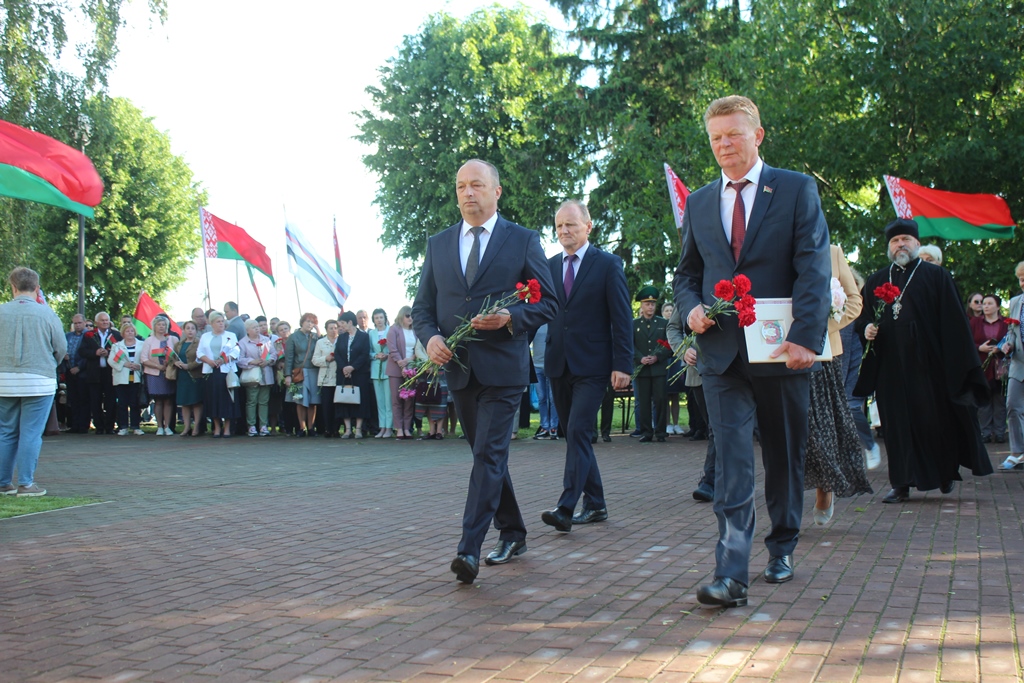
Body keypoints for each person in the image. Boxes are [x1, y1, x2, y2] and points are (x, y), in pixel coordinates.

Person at [673, 95, 831, 608]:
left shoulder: (794, 189)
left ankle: (782, 545)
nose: (724, 145)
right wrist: (692, 307)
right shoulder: (698, 202)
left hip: (782, 350)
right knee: (734, 461)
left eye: (734, 135)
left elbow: (813, 267)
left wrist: (807, 336)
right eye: (716, 137)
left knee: (784, 453)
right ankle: (731, 573)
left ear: (757, 135)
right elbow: (687, 274)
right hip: (721, 354)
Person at [412, 159, 556, 583]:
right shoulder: (438, 244)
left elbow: (547, 302)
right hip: (457, 368)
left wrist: (510, 318)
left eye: (476, 184)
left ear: (497, 191)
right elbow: (422, 308)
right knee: (486, 457)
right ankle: (513, 530)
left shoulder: (523, 240)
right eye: (460, 186)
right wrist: (431, 338)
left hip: (504, 368)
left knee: (489, 455)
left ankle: (468, 550)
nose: (467, 192)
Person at [854, 218, 993, 502]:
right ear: (889, 247)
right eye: (895, 240)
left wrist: (956, 365)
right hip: (891, 368)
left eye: (906, 239)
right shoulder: (878, 279)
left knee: (933, 421)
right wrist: (866, 328)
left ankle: (943, 475)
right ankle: (901, 483)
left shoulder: (936, 276)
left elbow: (955, 324)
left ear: (917, 243)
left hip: (929, 366)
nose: (900, 244)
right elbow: (864, 316)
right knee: (895, 426)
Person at [540, 200, 632, 532]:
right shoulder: (548, 267)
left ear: (588, 226)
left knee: (579, 430)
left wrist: (623, 364)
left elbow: (622, 318)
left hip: (594, 364)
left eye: (571, 225)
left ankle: (566, 506)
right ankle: (596, 504)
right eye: (559, 226)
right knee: (573, 435)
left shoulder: (607, 265)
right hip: (558, 363)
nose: (564, 231)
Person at [803, 245, 871, 525]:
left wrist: (822, 326)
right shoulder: (770, 244)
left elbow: (854, 302)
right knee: (795, 428)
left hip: (823, 352)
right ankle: (790, 495)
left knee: (822, 426)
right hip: (779, 353)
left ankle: (825, 485)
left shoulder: (831, 252)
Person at [0, 267, 66, 497]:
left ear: (13, 287)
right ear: (36, 288)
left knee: (6, 432)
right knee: (30, 433)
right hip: (39, 380)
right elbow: (61, 348)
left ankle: (3, 483)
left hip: (4, 380)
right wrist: (48, 365)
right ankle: (26, 484)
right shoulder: (47, 314)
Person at [666, 306, 716, 502]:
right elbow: (673, 328)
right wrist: (683, 350)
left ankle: (711, 481)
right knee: (714, 427)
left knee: (719, 428)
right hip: (699, 372)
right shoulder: (691, 287)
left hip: (734, 371)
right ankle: (715, 480)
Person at [632, 286, 670, 443]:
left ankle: (661, 432)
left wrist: (658, 356)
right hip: (642, 369)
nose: (650, 307)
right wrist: (640, 358)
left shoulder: (663, 323)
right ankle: (646, 432)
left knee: (660, 400)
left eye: (653, 304)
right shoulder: (633, 324)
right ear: (641, 305)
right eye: (647, 304)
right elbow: (629, 345)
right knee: (644, 401)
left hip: (658, 368)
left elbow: (670, 344)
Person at [970, 294, 1008, 444]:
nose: (985, 306)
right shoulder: (974, 323)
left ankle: (1000, 432)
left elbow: (1012, 341)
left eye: (989, 304)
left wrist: (1001, 348)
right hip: (982, 366)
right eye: (984, 304)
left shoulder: (1006, 323)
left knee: (1000, 400)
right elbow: (966, 342)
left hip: (1000, 367)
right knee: (983, 400)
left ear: (998, 306)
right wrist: (981, 347)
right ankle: (985, 432)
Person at [197, 311, 240, 438]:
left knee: (227, 400)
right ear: (211, 323)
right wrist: (208, 361)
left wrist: (223, 360)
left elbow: (236, 351)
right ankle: (216, 427)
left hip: (226, 371)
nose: (221, 323)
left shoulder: (231, 335)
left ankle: (227, 428)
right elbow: (199, 352)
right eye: (218, 321)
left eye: (222, 321)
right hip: (210, 371)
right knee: (213, 400)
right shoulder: (205, 336)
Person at [79, 311, 121, 434]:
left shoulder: (116, 335)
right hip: (94, 373)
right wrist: (95, 353)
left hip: (110, 373)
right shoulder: (89, 335)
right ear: (97, 322)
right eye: (102, 320)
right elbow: (82, 351)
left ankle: (109, 427)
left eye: (106, 320)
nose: (105, 322)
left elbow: (121, 352)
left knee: (111, 401)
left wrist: (110, 353)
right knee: (95, 401)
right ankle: (99, 426)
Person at [1001, 262, 1024, 471]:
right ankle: (1017, 452)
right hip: (1019, 364)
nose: (1023, 282)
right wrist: (1008, 343)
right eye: (1021, 278)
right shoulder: (1016, 302)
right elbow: (1011, 330)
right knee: (1013, 405)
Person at [140, 316, 179, 435]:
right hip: (154, 374)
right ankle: (160, 427)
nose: (161, 327)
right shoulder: (149, 341)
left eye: (164, 325)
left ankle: (168, 426)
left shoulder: (172, 339)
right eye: (159, 324)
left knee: (168, 400)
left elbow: (178, 356)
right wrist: (158, 367)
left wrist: (170, 363)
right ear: (154, 326)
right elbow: (143, 358)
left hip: (169, 373)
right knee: (158, 401)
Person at [238, 318, 277, 437]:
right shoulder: (243, 342)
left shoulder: (266, 340)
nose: (257, 329)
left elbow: (274, 353)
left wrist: (269, 360)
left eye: (257, 327)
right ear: (248, 330)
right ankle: (251, 426)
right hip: (252, 376)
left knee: (264, 401)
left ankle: (263, 426)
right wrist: (252, 361)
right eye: (254, 327)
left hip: (266, 374)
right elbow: (239, 359)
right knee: (251, 401)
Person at [335, 311, 371, 438]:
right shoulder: (341, 337)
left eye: (343, 324)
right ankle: (348, 429)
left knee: (360, 401)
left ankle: (359, 429)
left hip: (359, 373)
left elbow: (364, 354)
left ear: (350, 322)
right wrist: (344, 368)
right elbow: (337, 354)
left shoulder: (363, 336)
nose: (342, 327)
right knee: (345, 401)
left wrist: (353, 367)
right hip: (344, 374)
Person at [283, 313, 320, 437]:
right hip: (300, 371)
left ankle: (311, 427)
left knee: (313, 401)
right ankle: (301, 427)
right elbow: (289, 357)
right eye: (308, 321)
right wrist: (287, 375)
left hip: (314, 371)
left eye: (312, 322)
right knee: (300, 400)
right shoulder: (293, 337)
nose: (310, 324)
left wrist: (318, 331)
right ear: (302, 322)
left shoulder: (315, 337)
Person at [386, 306, 417, 440]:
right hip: (396, 369)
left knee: (409, 399)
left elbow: (419, 348)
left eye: (412, 316)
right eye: (408, 315)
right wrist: (402, 364)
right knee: (397, 399)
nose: (410, 318)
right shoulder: (394, 329)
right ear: (401, 316)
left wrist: (410, 360)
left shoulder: (415, 330)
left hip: (412, 368)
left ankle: (407, 428)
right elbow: (392, 349)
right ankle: (399, 428)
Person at [110, 323, 145, 436]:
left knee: (135, 403)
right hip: (121, 378)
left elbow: (146, 358)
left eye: (131, 331)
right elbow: (111, 361)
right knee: (122, 404)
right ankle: (123, 427)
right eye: (127, 331)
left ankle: (136, 426)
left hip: (136, 377)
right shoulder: (117, 346)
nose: (130, 333)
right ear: (123, 333)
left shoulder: (142, 344)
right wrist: (125, 364)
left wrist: (139, 366)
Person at [173, 321, 204, 436]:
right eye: (188, 328)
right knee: (184, 403)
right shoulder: (179, 344)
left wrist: (189, 366)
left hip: (195, 376)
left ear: (196, 331)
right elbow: (173, 357)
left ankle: (196, 427)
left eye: (192, 328)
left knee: (196, 402)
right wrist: (176, 363)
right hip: (182, 377)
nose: (190, 330)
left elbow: (201, 358)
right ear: (184, 330)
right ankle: (186, 427)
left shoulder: (199, 343)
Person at [312, 319, 340, 438]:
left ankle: (337, 429)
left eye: (335, 328)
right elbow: (314, 360)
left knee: (338, 405)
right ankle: (328, 429)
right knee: (327, 405)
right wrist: (325, 358)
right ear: (326, 330)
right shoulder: (320, 342)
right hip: (326, 378)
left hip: (339, 377)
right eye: (331, 328)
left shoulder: (342, 341)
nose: (333, 330)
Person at [531, 324, 558, 440]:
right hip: (537, 366)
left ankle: (554, 427)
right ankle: (544, 427)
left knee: (553, 399)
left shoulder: (554, 323)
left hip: (551, 365)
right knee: (541, 398)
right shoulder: (535, 323)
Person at [369, 308, 393, 438]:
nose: (379, 320)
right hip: (376, 370)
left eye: (381, 317)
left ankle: (389, 427)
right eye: (376, 318)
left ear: (385, 318)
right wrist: (375, 355)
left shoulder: (391, 331)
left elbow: (395, 348)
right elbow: (368, 351)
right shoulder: (371, 333)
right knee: (380, 401)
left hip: (388, 369)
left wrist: (387, 355)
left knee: (388, 401)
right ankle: (382, 427)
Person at [64, 313, 90, 434]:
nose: (77, 325)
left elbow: (89, 355)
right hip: (69, 371)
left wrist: (79, 367)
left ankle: (83, 426)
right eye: (75, 323)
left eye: (79, 323)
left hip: (83, 372)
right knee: (73, 399)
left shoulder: (89, 336)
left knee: (83, 399)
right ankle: (74, 425)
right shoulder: (68, 336)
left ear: (84, 323)